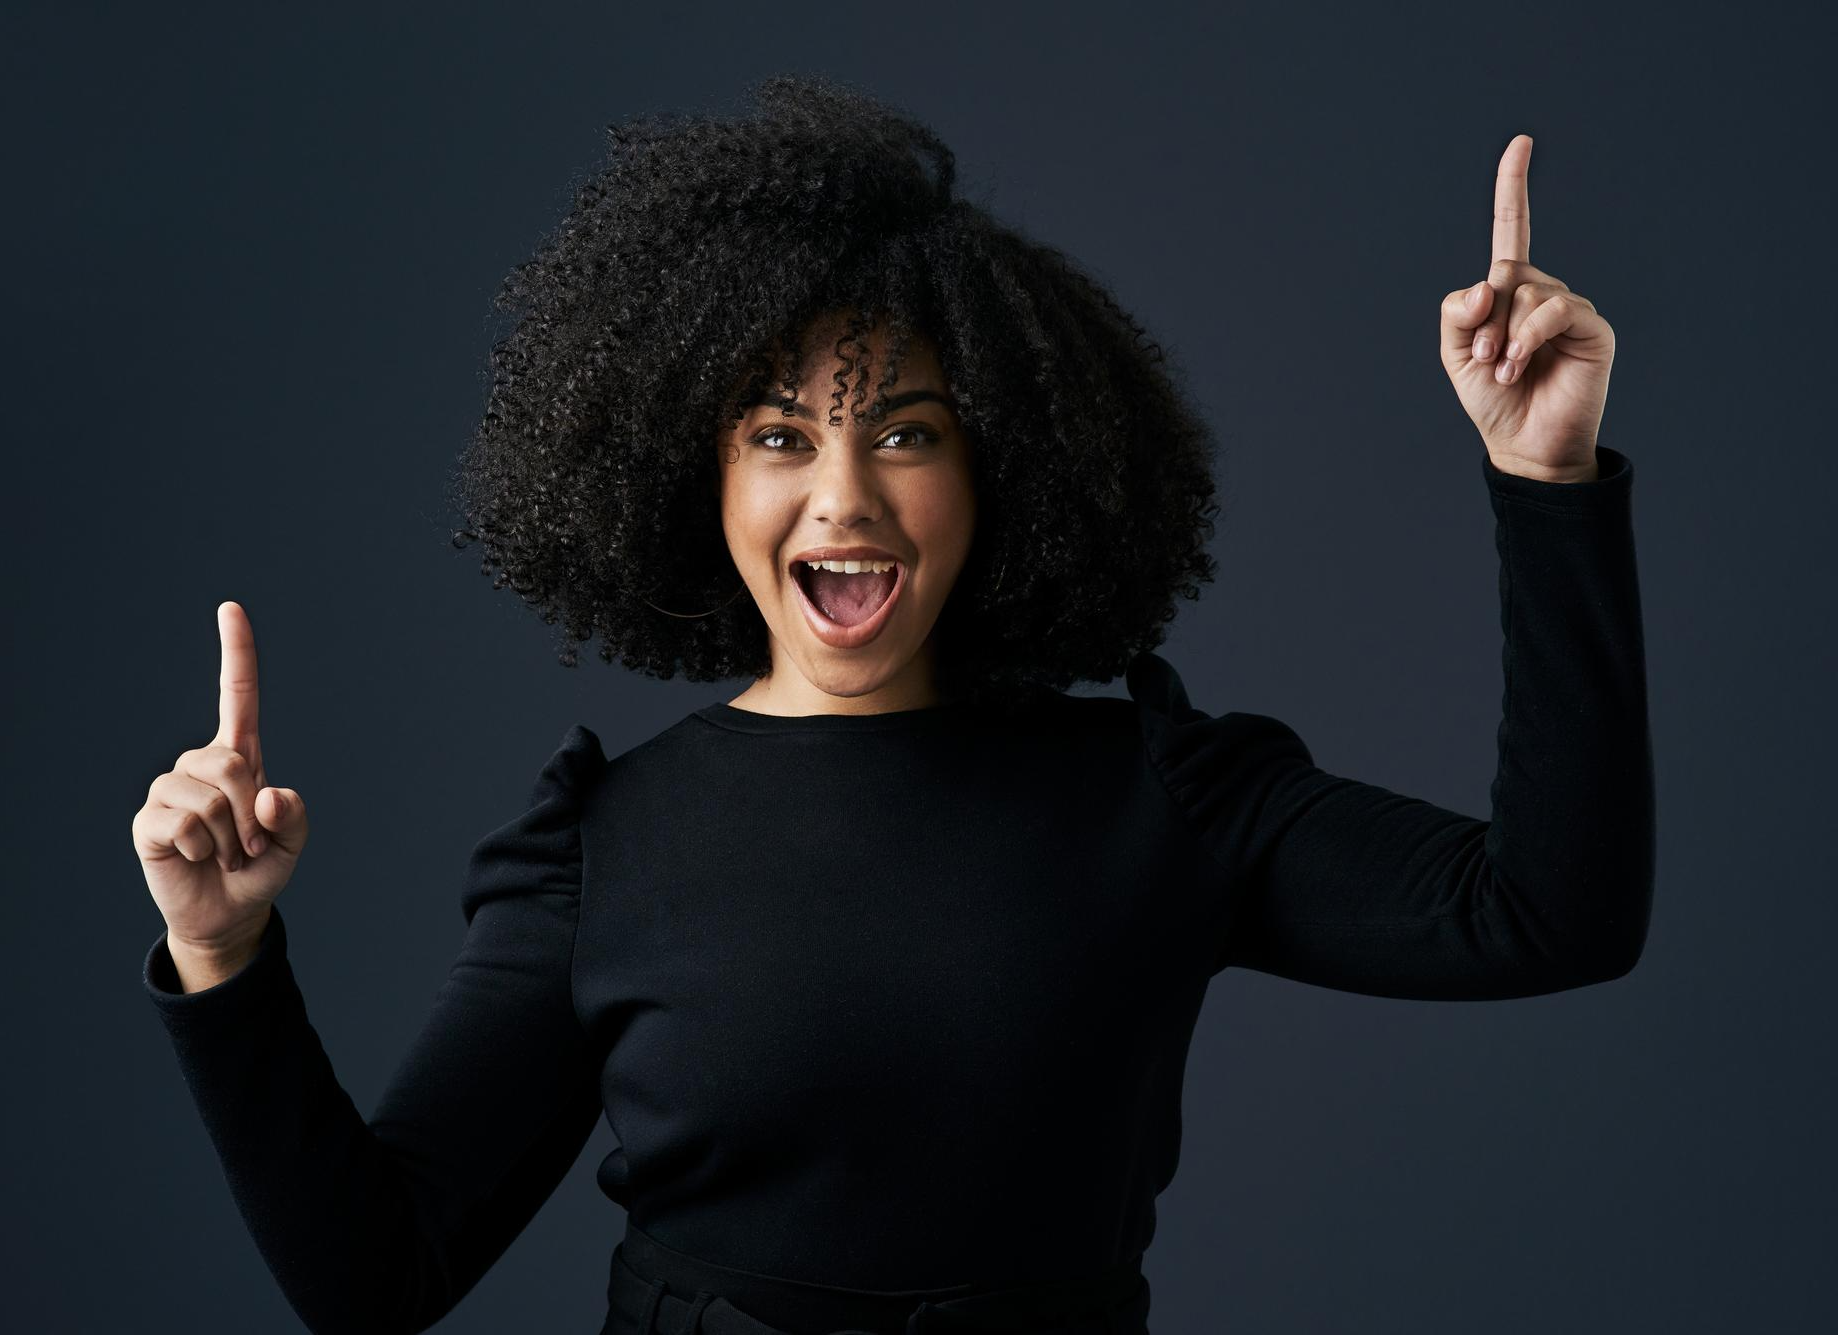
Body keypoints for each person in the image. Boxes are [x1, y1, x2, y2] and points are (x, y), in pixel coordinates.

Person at [132, 74, 1650, 1335]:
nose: (844, 496)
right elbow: (373, 1279)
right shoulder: (603, 848)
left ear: (1001, 476)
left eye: (908, 434)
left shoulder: (1161, 795)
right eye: (781, 435)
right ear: (700, 479)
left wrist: (1548, 482)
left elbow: (1551, 915)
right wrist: (221, 954)